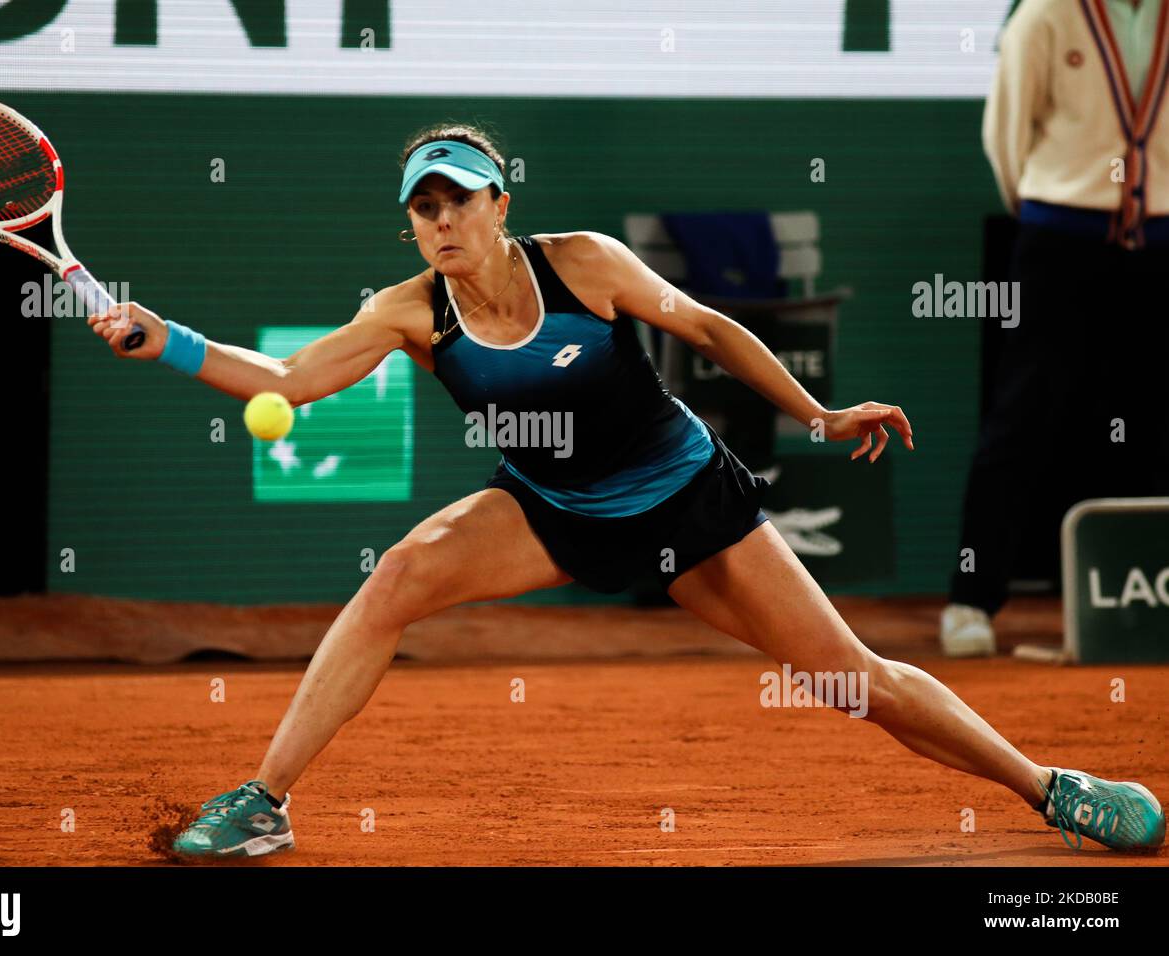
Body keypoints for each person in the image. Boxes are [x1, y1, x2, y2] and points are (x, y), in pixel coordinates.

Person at [88, 123, 1165, 857]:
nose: (443, 220)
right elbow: (286, 381)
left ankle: (1048, 785)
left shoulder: (585, 264)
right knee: (399, 577)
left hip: (689, 501)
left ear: (501, 201)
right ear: (409, 226)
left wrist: (818, 414)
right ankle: (265, 800)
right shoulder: (407, 310)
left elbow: (706, 326)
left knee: (852, 682)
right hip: (551, 509)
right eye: (424, 208)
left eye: (461, 198)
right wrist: (165, 341)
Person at [942, 0, 1169, 656]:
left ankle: (1150, 605)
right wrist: (1054, 204)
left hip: (1163, 236)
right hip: (1063, 231)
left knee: (1157, 420)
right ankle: (971, 603)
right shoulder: (1043, 13)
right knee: (1023, 413)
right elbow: (1005, 135)